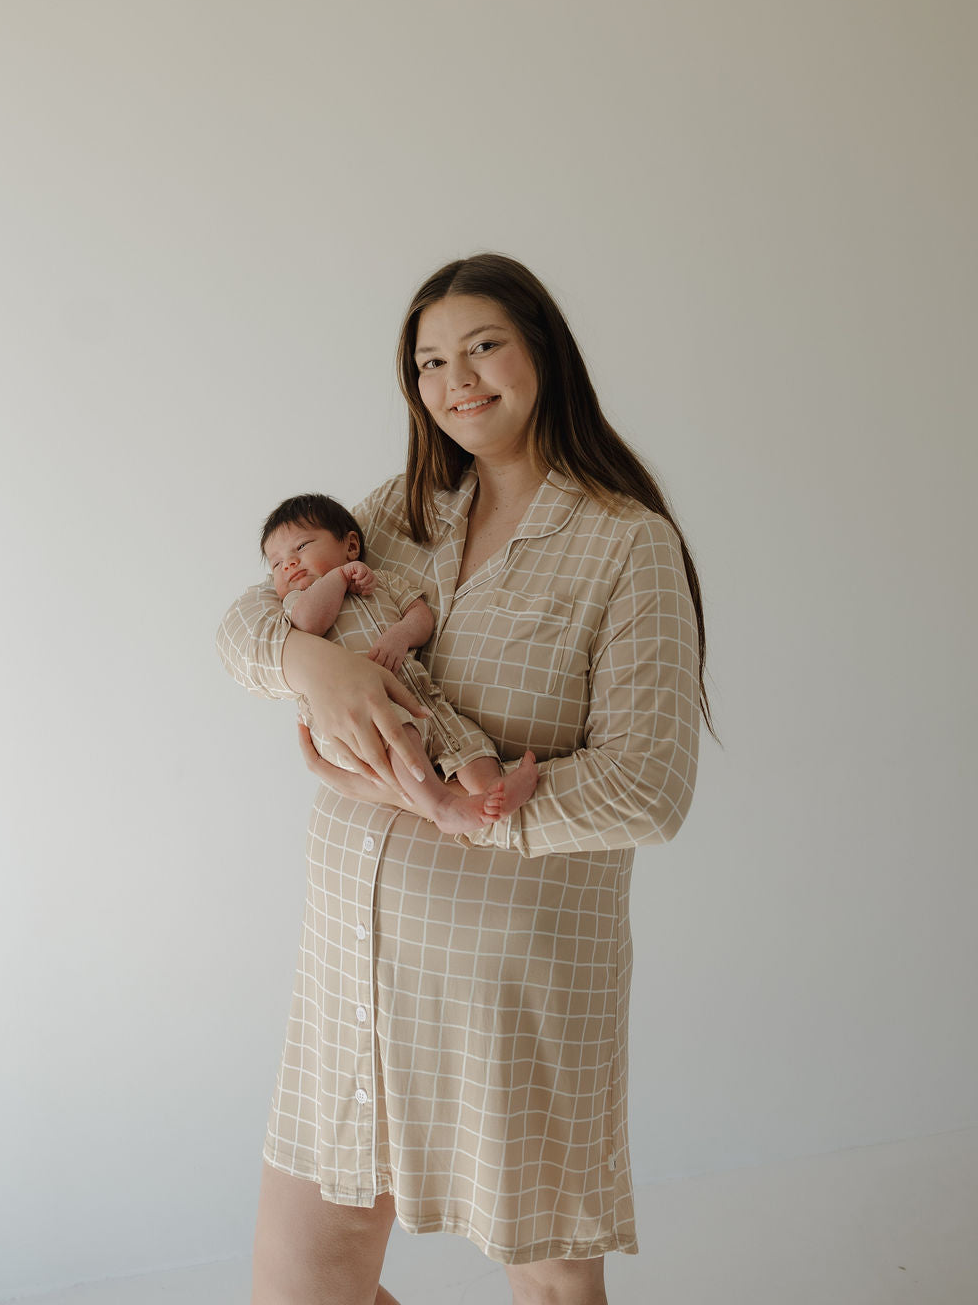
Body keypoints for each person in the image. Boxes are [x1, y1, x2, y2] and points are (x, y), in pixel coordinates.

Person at [216, 254, 713, 1305]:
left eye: (483, 345)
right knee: (302, 1285)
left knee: (547, 1286)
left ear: (541, 350)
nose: (458, 379)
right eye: (430, 360)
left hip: (511, 983)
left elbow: (649, 787)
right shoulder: (402, 511)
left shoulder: (627, 545)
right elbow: (245, 624)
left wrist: (451, 808)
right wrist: (314, 663)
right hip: (350, 963)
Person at [259, 491, 539, 834]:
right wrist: (339, 576)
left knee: (463, 736)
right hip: (358, 719)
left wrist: (401, 634)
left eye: (300, 547)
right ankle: (443, 805)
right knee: (398, 734)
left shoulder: (384, 582)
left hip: (420, 696)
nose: (287, 564)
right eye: (275, 563)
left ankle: (493, 791)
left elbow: (421, 616)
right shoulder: (295, 604)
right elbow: (309, 623)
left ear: (350, 545)